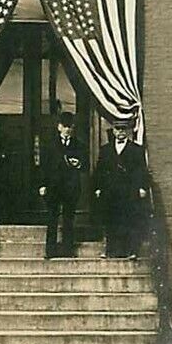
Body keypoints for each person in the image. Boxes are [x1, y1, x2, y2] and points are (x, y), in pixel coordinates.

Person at [93, 115, 150, 259]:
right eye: (118, 129)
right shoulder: (106, 150)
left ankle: (130, 250)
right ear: (113, 131)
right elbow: (100, 170)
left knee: (129, 220)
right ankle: (110, 250)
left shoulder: (136, 150)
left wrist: (142, 187)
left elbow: (142, 170)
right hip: (111, 191)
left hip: (128, 191)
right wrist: (98, 187)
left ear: (128, 131)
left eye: (123, 130)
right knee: (111, 219)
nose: (120, 132)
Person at [39, 111, 88, 259]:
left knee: (68, 219)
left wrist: (78, 163)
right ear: (59, 127)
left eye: (70, 127)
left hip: (71, 187)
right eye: (65, 126)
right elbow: (43, 167)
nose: (68, 130)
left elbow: (86, 165)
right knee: (52, 218)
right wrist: (42, 185)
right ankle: (50, 251)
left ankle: (68, 250)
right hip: (53, 187)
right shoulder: (49, 144)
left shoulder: (79, 145)